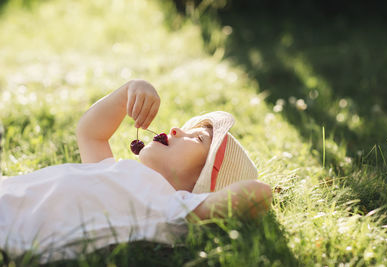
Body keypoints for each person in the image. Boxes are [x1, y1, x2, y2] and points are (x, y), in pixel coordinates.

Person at [0, 79, 272, 263]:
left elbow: (258, 193)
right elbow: (90, 133)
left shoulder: (172, 206)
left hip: (14, 229)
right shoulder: (112, 172)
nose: (177, 129)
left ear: (201, 184)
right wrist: (130, 90)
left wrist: (209, 204)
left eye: (198, 139)